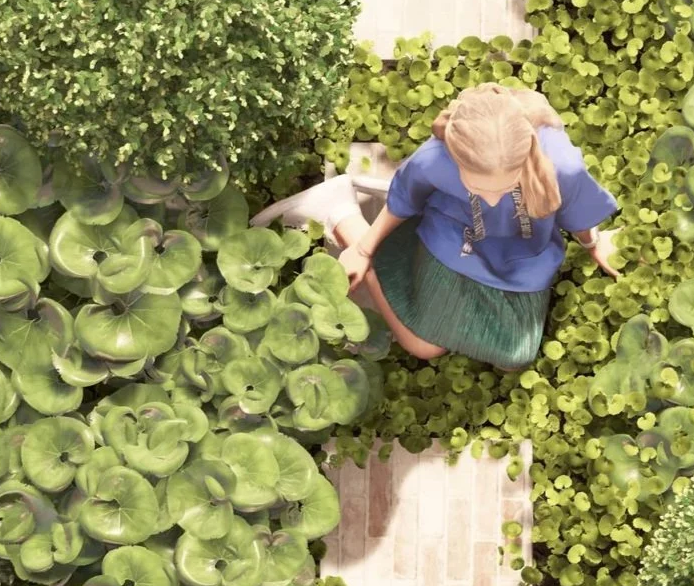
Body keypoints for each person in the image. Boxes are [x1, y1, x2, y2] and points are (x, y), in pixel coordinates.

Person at [250, 83, 620, 371]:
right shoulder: (435, 159)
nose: (491, 200)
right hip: (453, 244)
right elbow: (404, 200)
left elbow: (576, 212)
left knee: (516, 355)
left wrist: (593, 243)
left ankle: (345, 216)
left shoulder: (561, 166)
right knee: (425, 347)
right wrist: (363, 251)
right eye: (478, 186)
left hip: (522, 258)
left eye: (503, 187)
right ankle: (341, 216)